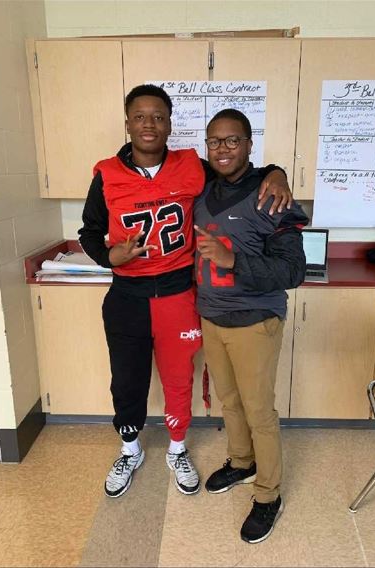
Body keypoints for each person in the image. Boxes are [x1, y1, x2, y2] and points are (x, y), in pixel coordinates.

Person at [78, 84, 292, 500]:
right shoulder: (106, 173)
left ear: (170, 124)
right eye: (140, 116)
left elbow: (239, 172)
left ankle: (177, 448)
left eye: (158, 116)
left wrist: (276, 172)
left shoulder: (192, 165)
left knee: (179, 378)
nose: (148, 124)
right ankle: (130, 449)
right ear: (127, 123)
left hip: (178, 294)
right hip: (128, 296)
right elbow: (88, 233)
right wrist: (110, 256)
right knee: (127, 379)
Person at [194, 108, 308, 543]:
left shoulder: (271, 196)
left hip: (255, 321)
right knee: (230, 401)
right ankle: (242, 463)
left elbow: (293, 271)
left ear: (249, 144)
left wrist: (233, 261)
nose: (223, 148)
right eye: (215, 141)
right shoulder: (204, 190)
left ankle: (268, 495)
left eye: (233, 140)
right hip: (212, 316)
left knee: (260, 411)